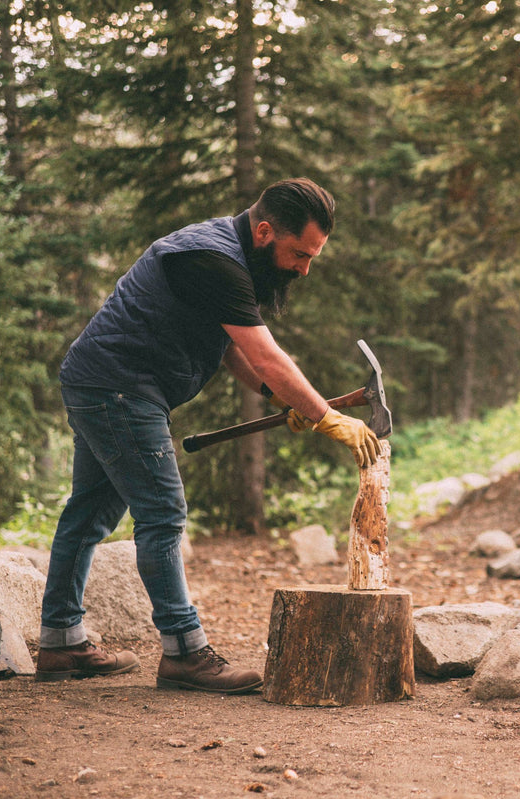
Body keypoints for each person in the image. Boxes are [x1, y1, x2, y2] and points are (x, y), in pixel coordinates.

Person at [35, 178, 380, 693]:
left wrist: (282, 400)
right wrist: (325, 416)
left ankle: (60, 642)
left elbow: (232, 349)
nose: (304, 269)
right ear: (265, 232)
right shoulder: (212, 261)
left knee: (89, 512)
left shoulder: (230, 256)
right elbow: (266, 355)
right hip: (119, 388)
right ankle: (184, 652)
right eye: (299, 254)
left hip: (104, 382)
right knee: (162, 511)